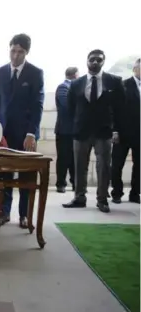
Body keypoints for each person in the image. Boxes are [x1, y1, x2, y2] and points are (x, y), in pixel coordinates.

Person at [0, 33, 44, 228]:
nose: (15, 55)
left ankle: (24, 215)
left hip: (26, 134)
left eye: (20, 51)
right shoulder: (0, 72)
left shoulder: (35, 73)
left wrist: (31, 133)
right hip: (3, 134)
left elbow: (38, 105)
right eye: (13, 50)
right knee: (4, 175)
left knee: (26, 176)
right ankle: (4, 213)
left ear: (26, 52)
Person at [62, 50, 125, 213]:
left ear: (103, 62)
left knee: (104, 166)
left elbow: (120, 108)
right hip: (81, 131)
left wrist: (116, 130)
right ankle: (79, 197)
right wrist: (74, 127)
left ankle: (102, 199)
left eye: (99, 60)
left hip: (104, 131)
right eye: (92, 59)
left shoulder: (114, 81)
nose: (95, 62)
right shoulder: (77, 83)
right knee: (79, 166)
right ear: (87, 61)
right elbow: (70, 107)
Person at [111, 58, 140, 204]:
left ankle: (135, 193)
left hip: (139, 134)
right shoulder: (123, 85)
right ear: (135, 69)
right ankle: (116, 192)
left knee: (139, 165)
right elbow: (115, 109)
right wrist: (114, 130)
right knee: (117, 164)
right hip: (122, 132)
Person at [54, 67, 79, 193]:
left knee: (75, 159)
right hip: (64, 130)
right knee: (63, 158)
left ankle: (75, 183)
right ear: (75, 75)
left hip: (75, 130)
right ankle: (61, 184)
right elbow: (66, 106)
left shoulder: (75, 88)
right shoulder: (63, 87)